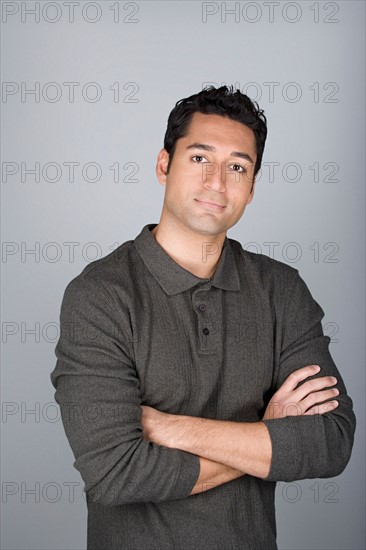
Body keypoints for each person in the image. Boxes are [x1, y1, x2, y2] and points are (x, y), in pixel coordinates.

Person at [50, 85, 356, 550]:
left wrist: (171, 428)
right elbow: (115, 474)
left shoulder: (283, 290)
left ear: (252, 188)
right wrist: (266, 436)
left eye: (238, 166)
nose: (217, 181)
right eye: (199, 158)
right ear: (163, 165)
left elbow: (330, 441)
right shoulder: (99, 296)